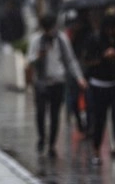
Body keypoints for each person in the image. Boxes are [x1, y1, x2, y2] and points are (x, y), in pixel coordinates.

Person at [27, 13, 87, 158]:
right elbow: (30, 60)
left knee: (55, 114)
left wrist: (79, 78)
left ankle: (52, 144)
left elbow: (70, 60)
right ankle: (42, 138)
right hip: (41, 82)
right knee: (41, 113)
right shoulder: (36, 40)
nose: (50, 32)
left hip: (58, 82)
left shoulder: (62, 40)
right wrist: (38, 56)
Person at [84, 14, 115, 167]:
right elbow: (88, 61)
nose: (111, 31)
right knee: (99, 119)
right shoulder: (95, 40)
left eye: (114, 29)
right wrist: (103, 57)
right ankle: (96, 150)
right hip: (99, 85)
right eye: (109, 29)